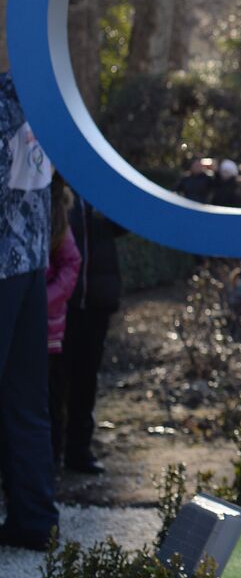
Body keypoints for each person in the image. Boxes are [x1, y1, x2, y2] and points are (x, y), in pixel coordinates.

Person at [0, 70, 60, 550]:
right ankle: (34, 518)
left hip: (3, 265)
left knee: (24, 399)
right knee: (26, 399)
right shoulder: (43, 111)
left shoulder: (3, 110)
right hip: (31, 267)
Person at [63, 192, 126, 475]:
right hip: (62, 303)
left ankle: (79, 451)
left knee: (86, 379)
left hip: (96, 300)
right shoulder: (58, 189)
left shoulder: (100, 189)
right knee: (55, 380)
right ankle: (51, 452)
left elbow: (123, 223)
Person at [45, 176, 80, 463]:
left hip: (47, 332)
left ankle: (50, 463)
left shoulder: (56, 220)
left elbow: (71, 263)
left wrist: (43, 300)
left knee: (50, 401)